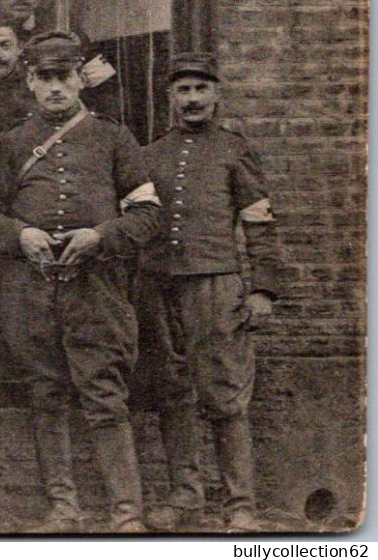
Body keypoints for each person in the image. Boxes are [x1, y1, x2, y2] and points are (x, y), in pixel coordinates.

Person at [0, 30, 164, 533]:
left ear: (81, 79)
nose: (56, 88)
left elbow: (148, 214)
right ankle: (64, 510)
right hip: (31, 288)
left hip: (95, 287)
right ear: (30, 82)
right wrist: (21, 234)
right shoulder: (13, 142)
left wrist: (101, 236)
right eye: (45, 78)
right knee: (46, 393)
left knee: (103, 394)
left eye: (65, 77)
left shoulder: (114, 138)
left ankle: (127, 515)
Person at [136, 53, 287, 533]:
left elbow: (259, 222)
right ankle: (186, 495)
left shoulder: (233, 150)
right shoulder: (151, 153)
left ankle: (240, 502)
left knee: (224, 395)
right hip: (160, 284)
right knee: (172, 390)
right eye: (183, 90)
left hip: (216, 283)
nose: (193, 99)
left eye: (202, 89)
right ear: (171, 97)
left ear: (216, 94)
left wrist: (262, 289)